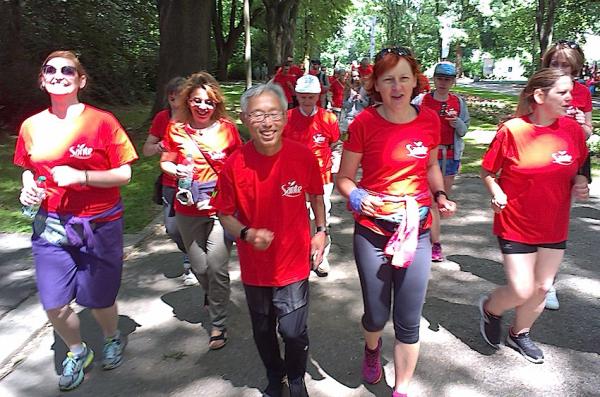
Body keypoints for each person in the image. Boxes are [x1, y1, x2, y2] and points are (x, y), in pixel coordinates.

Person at [13, 50, 138, 391]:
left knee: (99, 298)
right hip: (50, 223)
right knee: (53, 301)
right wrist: (28, 190)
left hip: (99, 222)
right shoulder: (32, 125)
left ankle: (112, 336)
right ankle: (77, 350)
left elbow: (125, 173)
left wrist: (82, 177)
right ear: (42, 79)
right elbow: (29, 169)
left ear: (81, 80)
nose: (58, 74)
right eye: (49, 70)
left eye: (68, 70)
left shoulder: (102, 121)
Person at [336, 46, 456, 397]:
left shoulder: (429, 120)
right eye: (389, 79)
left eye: (404, 78)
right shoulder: (364, 123)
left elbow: (431, 165)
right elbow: (343, 178)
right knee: (376, 315)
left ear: (415, 82)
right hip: (373, 232)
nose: (397, 87)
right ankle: (372, 348)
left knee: (408, 320)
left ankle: (401, 390)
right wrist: (358, 197)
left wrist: (439, 196)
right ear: (376, 84)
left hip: (415, 232)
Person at [211, 83, 326, 397]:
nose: (267, 122)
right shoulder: (235, 164)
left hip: (293, 261)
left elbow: (316, 195)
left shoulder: (302, 156)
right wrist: (247, 234)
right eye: (258, 115)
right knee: (263, 330)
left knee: (293, 331)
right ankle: (275, 377)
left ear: (284, 118)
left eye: (273, 113)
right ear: (245, 119)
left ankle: (297, 378)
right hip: (256, 267)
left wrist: (321, 231)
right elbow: (224, 213)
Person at [478, 68, 589, 364]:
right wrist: (496, 190)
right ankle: (491, 308)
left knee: (541, 288)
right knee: (522, 288)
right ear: (540, 96)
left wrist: (580, 182)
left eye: (570, 92)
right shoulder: (512, 130)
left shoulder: (574, 131)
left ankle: (520, 332)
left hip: (554, 224)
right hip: (515, 221)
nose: (570, 98)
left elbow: (578, 168)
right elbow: (488, 171)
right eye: (562, 93)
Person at [160, 72, 242, 350]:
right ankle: (212, 294)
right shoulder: (176, 129)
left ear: (216, 103)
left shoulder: (227, 129)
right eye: (197, 100)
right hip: (187, 207)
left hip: (220, 207)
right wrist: (177, 168)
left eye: (208, 101)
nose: (203, 106)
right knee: (200, 267)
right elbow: (166, 162)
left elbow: (238, 165)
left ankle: (218, 324)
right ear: (188, 101)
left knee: (217, 267)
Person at [541, 39, 594, 310]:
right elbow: (525, 120)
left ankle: (547, 283)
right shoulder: (538, 87)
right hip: (539, 161)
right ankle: (528, 273)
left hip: (569, 162)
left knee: (556, 222)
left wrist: (576, 124)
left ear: (575, 68)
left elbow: (588, 131)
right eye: (555, 63)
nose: (560, 69)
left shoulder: (582, 92)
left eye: (566, 65)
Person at [283, 74, 340, 277]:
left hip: (322, 178)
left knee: (322, 216)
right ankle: (301, 255)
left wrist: (334, 161)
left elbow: (334, 144)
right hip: (293, 180)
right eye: (303, 97)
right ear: (296, 96)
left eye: (311, 97)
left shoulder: (328, 118)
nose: (307, 101)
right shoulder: (287, 118)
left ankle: (321, 257)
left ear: (318, 96)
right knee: (298, 218)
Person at [142, 77, 197, 286]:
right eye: (174, 97)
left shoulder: (196, 116)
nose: (177, 102)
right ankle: (190, 252)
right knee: (173, 228)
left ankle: (193, 261)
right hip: (170, 182)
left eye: (182, 97)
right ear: (169, 98)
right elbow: (147, 150)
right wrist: (158, 147)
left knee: (195, 223)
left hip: (196, 182)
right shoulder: (161, 118)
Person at [413, 62, 470, 262]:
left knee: (439, 201)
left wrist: (457, 123)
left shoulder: (458, 102)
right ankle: (428, 241)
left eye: (447, 80)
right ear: (434, 79)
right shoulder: (422, 100)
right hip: (426, 155)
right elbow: (411, 122)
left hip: (449, 155)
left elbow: (464, 130)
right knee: (427, 200)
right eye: (440, 79)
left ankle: (432, 240)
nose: (443, 83)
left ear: (453, 81)